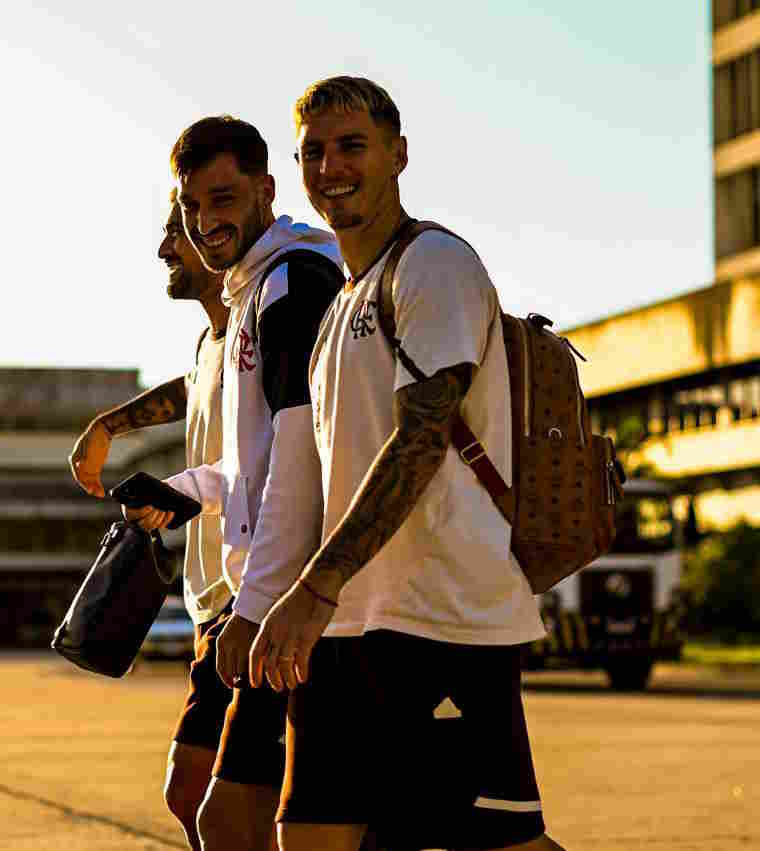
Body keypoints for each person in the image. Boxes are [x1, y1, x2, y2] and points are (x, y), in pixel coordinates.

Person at [247, 76, 564, 851]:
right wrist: (273, 599)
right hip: (347, 625)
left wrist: (315, 585)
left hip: (442, 618)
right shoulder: (340, 307)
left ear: (399, 154)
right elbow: (317, 480)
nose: (331, 167)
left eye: (352, 145)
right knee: (313, 839)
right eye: (313, 152)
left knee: (497, 846)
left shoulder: (434, 266)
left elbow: (419, 441)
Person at [129, 115, 344, 851]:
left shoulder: (292, 282)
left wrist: (253, 607)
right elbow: (251, 465)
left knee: (243, 818)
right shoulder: (254, 291)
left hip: (289, 599)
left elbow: (300, 456)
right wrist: (181, 492)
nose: (204, 222)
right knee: (234, 814)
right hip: (266, 596)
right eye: (194, 207)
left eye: (222, 199)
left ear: (265, 189)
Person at [68, 192, 231, 850]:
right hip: (214, 605)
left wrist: (179, 490)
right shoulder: (212, 342)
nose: (167, 247)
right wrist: (109, 423)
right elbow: (195, 385)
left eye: (176, 231)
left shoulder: (270, 324)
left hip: (259, 599)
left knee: (218, 801)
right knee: (196, 796)